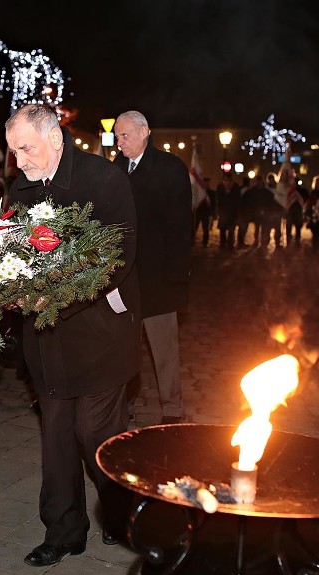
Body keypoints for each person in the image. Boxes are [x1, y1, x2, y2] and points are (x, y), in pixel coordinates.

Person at [6, 105, 140, 566]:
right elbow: (8, 252)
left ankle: (124, 513)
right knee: (58, 434)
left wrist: (57, 297)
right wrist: (4, 290)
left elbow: (116, 258)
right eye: (13, 151)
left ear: (55, 140)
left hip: (100, 332)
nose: (18, 160)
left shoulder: (103, 179)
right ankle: (64, 532)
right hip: (45, 340)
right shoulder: (19, 188)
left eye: (26, 148)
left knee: (96, 431)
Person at [114, 110, 189, 424]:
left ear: (144, 132)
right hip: (123, 277)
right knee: (123, 347)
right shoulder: (115, 169)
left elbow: (182, 225)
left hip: (158, 276)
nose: (119, 143)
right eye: (117, 136)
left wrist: (177, 273)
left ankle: (171, 407)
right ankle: (124, 403)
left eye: (125, 135)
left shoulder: (170, 168)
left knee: (163, 348)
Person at [216, 173, 240, 248]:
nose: (227, 183)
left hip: (232, 214)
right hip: (223, 213)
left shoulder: (235, 188)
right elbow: (218, 200)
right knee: (222, 230)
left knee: (231, 230)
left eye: (229, 181)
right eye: (225, 180)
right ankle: (222, 244)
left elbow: (238, 201)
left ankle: (230, 244)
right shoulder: (220, 188)